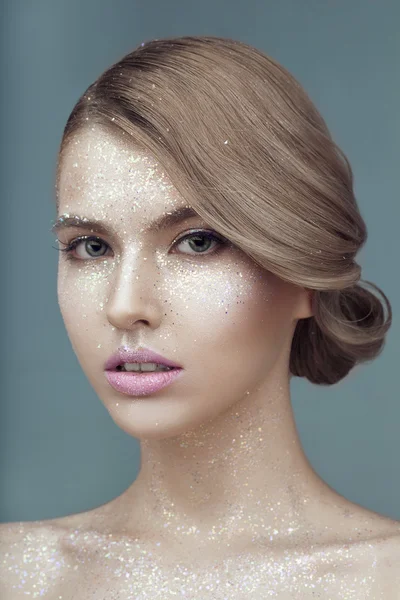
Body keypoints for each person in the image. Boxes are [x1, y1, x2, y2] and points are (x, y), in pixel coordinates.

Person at [1, 34, 399, 599]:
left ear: (305, 272)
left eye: (197, 243)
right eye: (91, 247)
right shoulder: (17, 574)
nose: (125, 305)